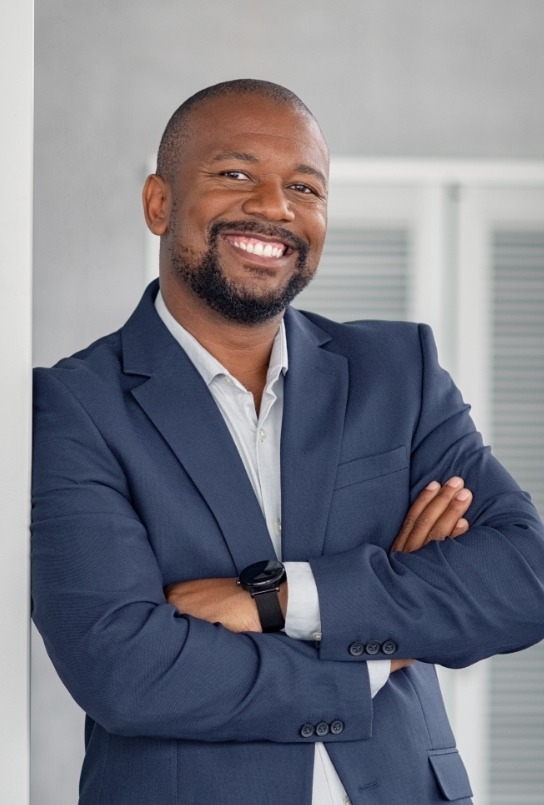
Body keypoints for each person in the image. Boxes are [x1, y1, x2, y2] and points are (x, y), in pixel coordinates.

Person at [32, 79, 544, 805]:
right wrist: (383, 642)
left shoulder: (398, 374)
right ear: (159, 202)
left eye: (305, 186)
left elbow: (524, 579)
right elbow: (128, 670)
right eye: (235, 174)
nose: (276, 207)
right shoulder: (75, 406)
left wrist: (277, 601)